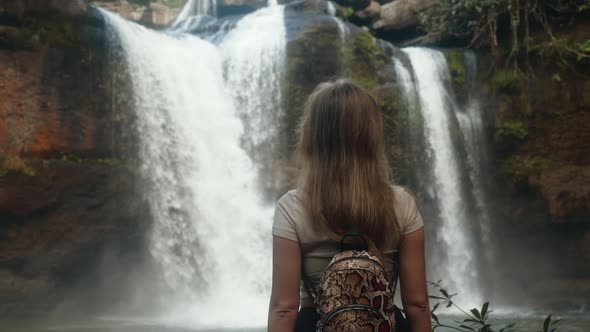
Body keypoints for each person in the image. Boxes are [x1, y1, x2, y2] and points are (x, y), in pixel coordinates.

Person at [267, 79, 431, 332]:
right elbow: (417, 304)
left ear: (312, 135)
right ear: (372, 134)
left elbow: (284, 308)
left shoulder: (292, 207)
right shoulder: (402, 203)